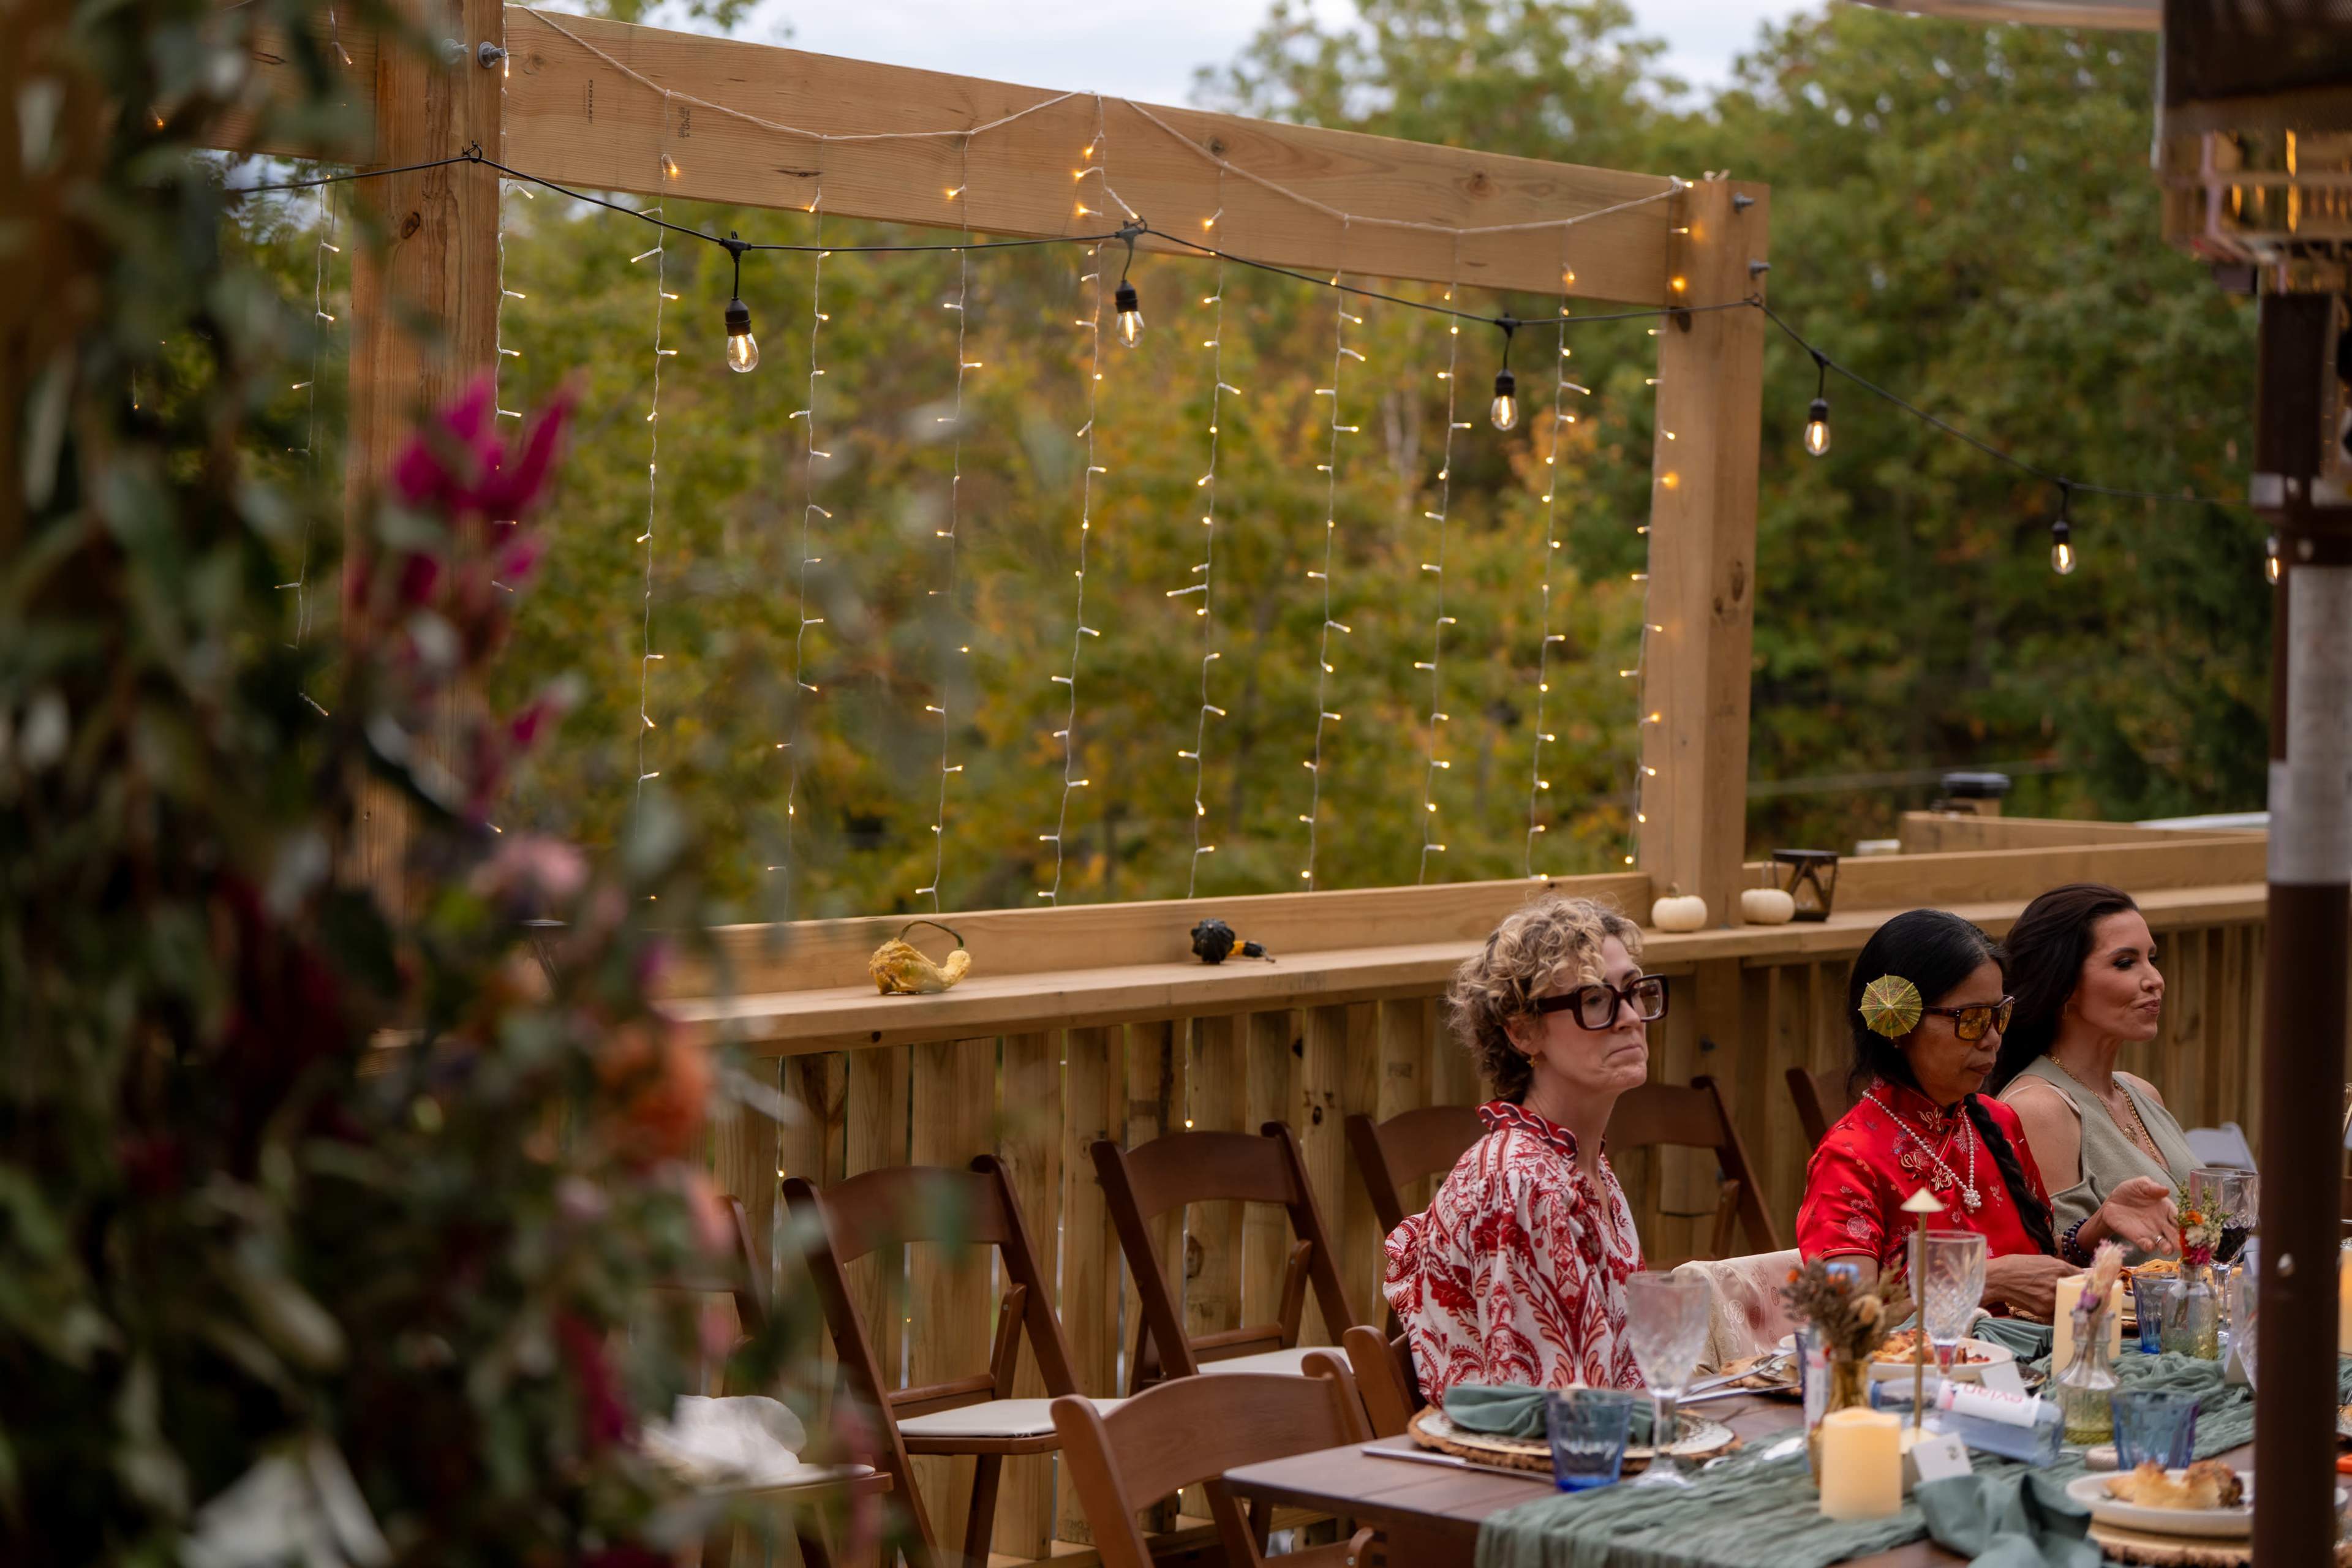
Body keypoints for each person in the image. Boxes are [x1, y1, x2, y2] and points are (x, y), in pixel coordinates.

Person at [1795, 909, 2174, 1318]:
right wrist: (1986, 1280)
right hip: (1927, 1379)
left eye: (1999, 1015)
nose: (1993, 1039)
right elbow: (1844, 1325)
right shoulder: (1851, 1158)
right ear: (1897, 1024)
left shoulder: (1998, 1123)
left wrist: (2099, 1225)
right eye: (1972, 1020)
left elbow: (2036, 1262)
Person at [1383, 896, 1656, 1399]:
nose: (1630, 1017)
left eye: (1635, 991)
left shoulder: (1580, 1164)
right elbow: (1562, 1408)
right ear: (1523, 1031)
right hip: (1526, 1471)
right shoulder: (1523, 1181)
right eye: (1595, 1000)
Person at [1992, 884, 2196, 1259]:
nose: (2155, 980)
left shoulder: (2142, 1093)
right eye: (2125, 962)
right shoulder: (2040, 1108)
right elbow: (2044, 1262)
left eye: (2152, 958)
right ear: (2064, 984)